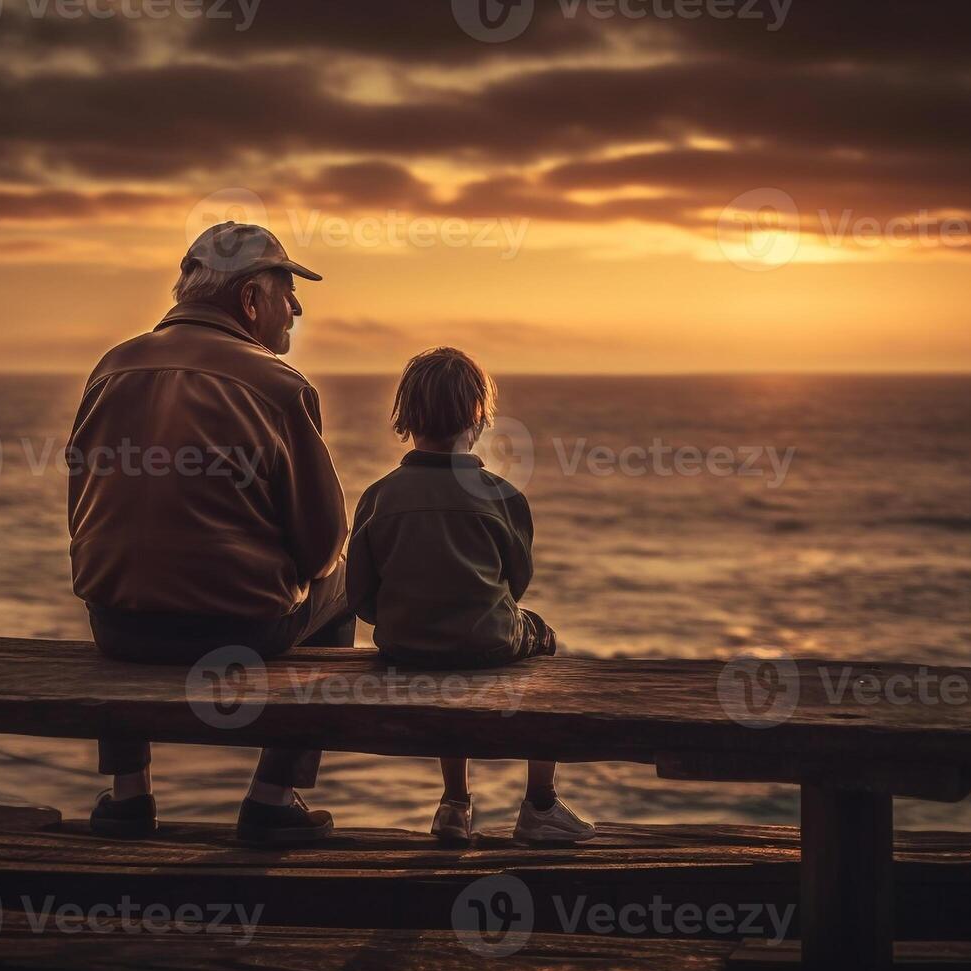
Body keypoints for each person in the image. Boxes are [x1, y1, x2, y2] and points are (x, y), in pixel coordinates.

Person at [67, 221, 354, 844]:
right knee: (344, 587)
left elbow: (83, 512)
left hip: (117, 625)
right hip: (235, 631)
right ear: (250, 300)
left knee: (130, 564)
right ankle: (274, 797)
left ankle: (128, 794)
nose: (297, 306)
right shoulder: (279, 387)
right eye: (287, 290)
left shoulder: (110, 368)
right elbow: (323, 548)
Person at [345, 347, 596, 845]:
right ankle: (540, 804)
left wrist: (407, 616)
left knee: (445, 668)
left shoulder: (379, 496)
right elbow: (515, 582)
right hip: (486, 642)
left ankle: (455, 803)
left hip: (404, 646)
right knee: (544, 640)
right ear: (478, 416)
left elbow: (361, 597)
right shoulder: (502, 496)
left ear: (406, 416)